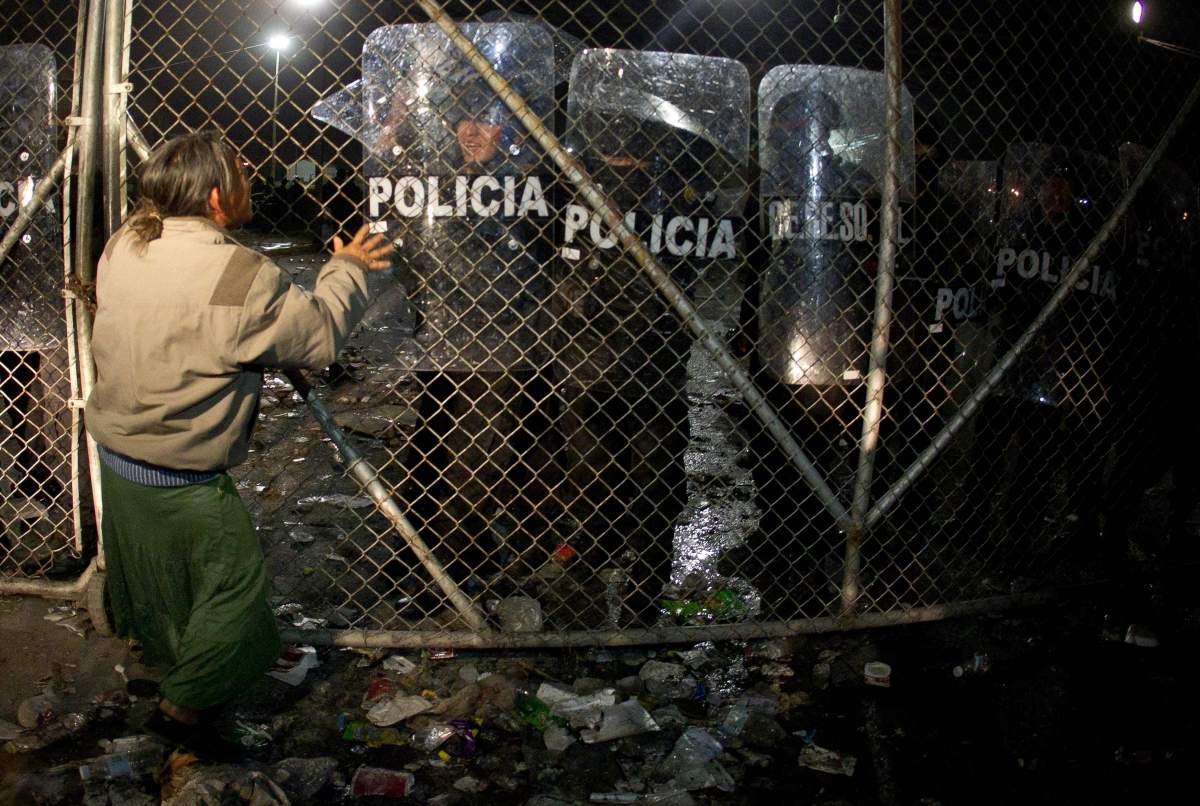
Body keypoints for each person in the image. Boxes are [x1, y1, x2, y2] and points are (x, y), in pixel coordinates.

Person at [84, 130, 393, 755]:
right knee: (237, 607)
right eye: (245, 174)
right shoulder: (237, 274)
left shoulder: (126, 245)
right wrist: (348, 269)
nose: (254, 182)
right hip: (183, 478)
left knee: (163, 591)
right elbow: (319, 337)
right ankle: (182, 712)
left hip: (118, 463)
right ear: (220, 198)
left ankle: (176, 674)